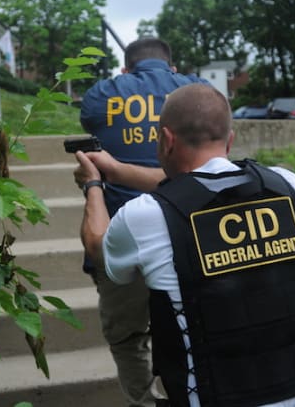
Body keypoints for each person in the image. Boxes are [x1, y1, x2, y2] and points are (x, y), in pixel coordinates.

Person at [74, 83, 295, 407]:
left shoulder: (146, 216)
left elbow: (97, 249)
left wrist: (93, 184)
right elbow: (202, 184)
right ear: (230, 140)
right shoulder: (289, 186)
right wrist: (118, 172)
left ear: (167, 140)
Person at [78, 38, 211, 406]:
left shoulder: (102, 95)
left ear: (125, 70)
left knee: (127, 338)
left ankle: (144, 402)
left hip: (123, 238)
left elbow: (89, 118)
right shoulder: (196, 92)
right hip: (190, 236)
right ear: (173, 68)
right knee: (198, 328)